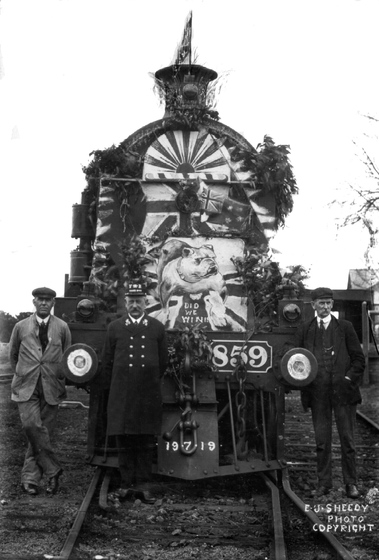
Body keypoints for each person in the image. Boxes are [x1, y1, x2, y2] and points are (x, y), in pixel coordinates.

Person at [290, 287, 365, 498]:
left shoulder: (345, 327)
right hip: (318, 394)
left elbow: (359, 360)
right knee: (322, 442)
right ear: (313, 305)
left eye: (329, 303)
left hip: (344, 394)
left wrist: (348, 378)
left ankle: (351, 483)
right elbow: (293, 354)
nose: (325, 307)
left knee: (347, 441)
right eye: (321, 303)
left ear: (332, 305)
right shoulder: (306, 329)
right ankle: (324, 484)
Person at [102, 282, 168, 503]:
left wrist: (147, 381)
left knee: (146, 440)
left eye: (139, 301)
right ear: (125, 303)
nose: (135, 305)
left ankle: (143, 485)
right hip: (122, 393)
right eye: (131, 301)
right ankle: (125, 484)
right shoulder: (115, 328)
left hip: (147, 393)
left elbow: (163, 362)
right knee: (124, 439)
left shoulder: (157, 328)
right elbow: (108, 362)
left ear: (146, 303)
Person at [9, 287, 72, 495]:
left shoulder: (62, 327)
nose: (44, 303)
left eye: (48, 300)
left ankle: (30, 479)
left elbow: (66, 356)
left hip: (51, 385)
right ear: (34, 302)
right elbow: (13, 355)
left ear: (53, 303)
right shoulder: (20, 326)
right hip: (26, 385)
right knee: (31, 426)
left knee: (39, 435)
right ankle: (53, 470)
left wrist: (58, 377)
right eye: (40, 299)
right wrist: (24, 372)